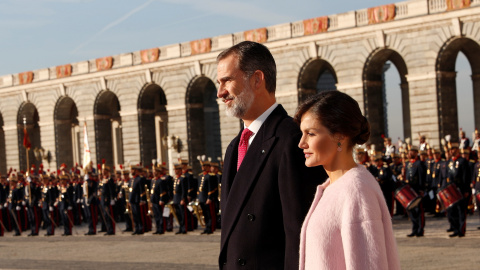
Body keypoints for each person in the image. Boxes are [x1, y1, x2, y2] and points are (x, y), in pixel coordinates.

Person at [216, 41, 326, 269]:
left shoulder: (292, 140)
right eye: (219, 83)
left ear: (257, 79)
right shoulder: (234, 147)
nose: (220, 92)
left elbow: (301, 235)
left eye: (227, 80)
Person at [295, 91, 400, 270]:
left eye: (310, 134)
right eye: (302, 134)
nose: (301, 143)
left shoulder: (356, 191)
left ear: (340, 136)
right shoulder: (335, 186)